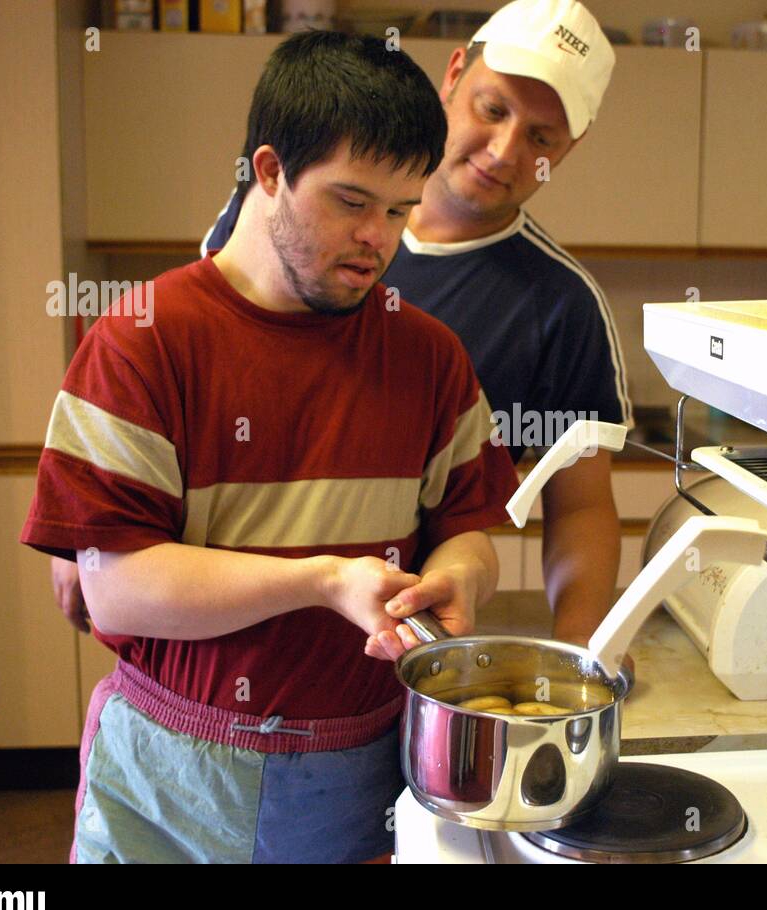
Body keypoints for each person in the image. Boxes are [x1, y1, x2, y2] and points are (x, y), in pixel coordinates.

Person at [21, 31, 519, 863]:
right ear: (270, 171)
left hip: (358, 773)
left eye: (401, 209)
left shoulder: (428, 355)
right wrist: (323, 582)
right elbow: (114, 592)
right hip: (169, 781)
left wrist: (460, 576)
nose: (379, 239)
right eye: (351, 202)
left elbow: (468, 528)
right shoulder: (144, 339)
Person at [51, 0, 635, 656]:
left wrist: (579, 636)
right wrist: (93, 522)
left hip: (375, 660)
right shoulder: (273, 218)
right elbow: (182, 357)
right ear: (453, 75)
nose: (504, 151)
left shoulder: (553, 306)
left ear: (570, 148)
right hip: (202, 647)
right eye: (493, 109)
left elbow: (575, 505)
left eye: (541, 139)